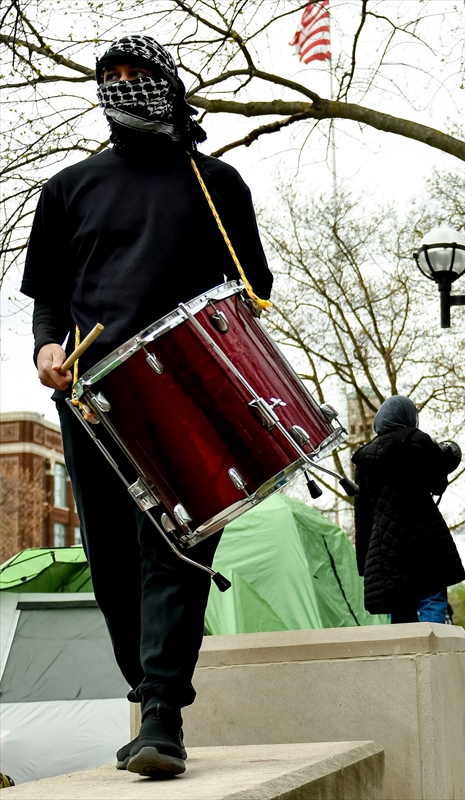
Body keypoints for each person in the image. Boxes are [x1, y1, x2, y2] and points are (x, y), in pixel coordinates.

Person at [22, 35, 273, 777]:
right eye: (114, 77)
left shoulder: (217, 184)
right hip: (93, 399)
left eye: (140, 74)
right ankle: (148, 693)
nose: (126, 86)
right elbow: (48, 298)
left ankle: (162, 712)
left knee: (177, 547)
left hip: (192, 394)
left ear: (170, 84)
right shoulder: (68, 188)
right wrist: (46, 349)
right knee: (111, 562)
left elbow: (253, 290)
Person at [353, 396, 465, 621]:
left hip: (385, 546)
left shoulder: (364, 460)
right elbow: (437, 484)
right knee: (431, 597)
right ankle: (434, 642)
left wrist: (365, 563)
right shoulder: (418, 440)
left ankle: (407, 644)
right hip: (423, 535)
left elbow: (363, 516)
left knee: (400, 608)